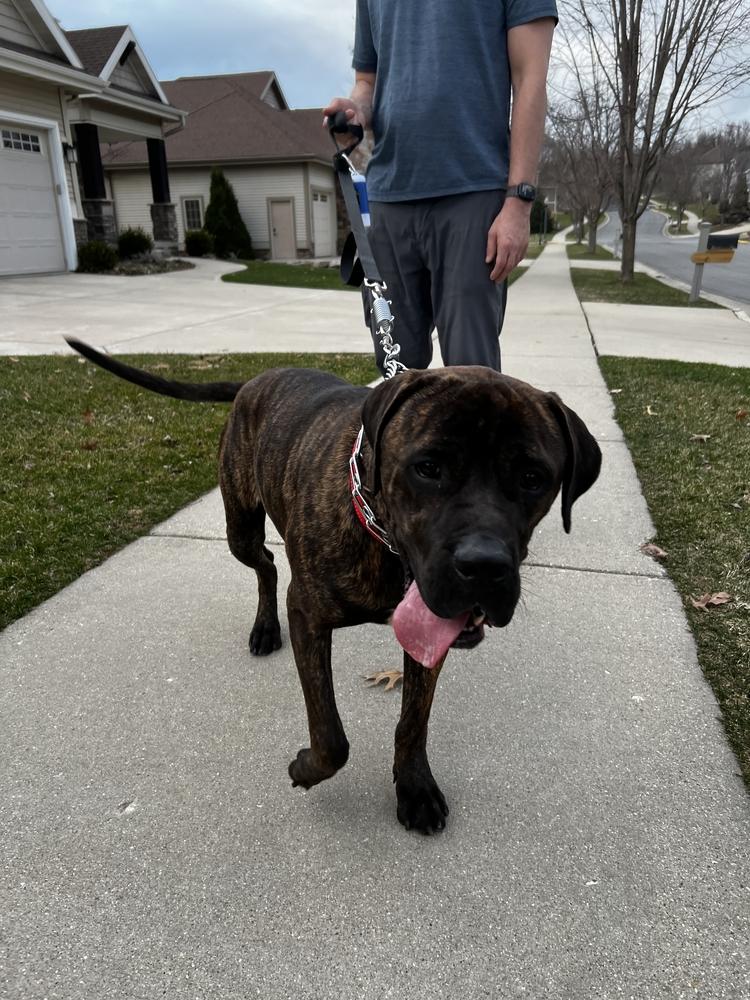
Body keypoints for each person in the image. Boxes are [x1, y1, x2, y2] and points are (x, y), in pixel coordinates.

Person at [324, 0, 557, 373]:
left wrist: (519, 201)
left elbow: (530, 77)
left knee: (471, 380)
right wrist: (356, 109)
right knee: (397, 376)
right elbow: (368, 80)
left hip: (473, 196)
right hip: (390, 198)